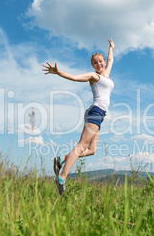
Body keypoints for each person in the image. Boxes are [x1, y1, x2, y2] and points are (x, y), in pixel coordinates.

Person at [42, 39, 115, 195]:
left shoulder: (106, 75)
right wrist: (58, 72)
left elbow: (111, 60)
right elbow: (75, 77)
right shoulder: (93, 76)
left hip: (100, 114)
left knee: (92, 150)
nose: (99, 64)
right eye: (95, 63)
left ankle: (61, 159)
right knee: (82, 145)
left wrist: (111, 48)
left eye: (100, 61)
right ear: (92, 65)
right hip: (95, 112)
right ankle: (61, 178)